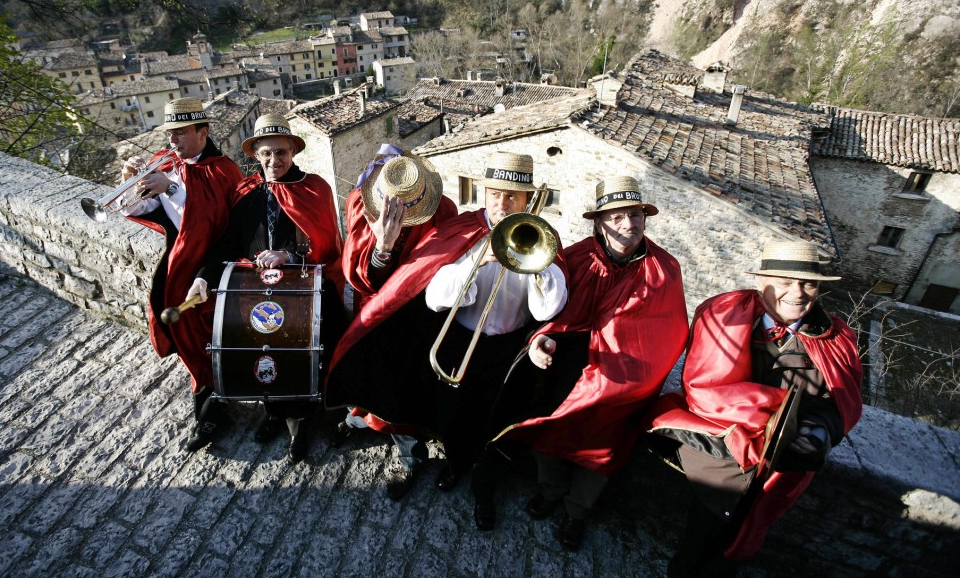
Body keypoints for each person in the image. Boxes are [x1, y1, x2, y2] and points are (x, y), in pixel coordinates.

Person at [326, 151, 568, 528]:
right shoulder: (462, 228)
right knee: (454, 412)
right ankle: (455, 466)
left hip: (508, 349)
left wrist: (539, 268)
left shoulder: (543, 241)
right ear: (485, 193)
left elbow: (548, 310)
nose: (503, 204)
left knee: (495, 421)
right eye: (496, 194)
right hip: (459, 340)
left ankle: (484, 491)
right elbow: (435, 298)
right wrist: (476, 262)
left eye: (513, 197)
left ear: (528, 200)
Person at [487, 177, 688, 550]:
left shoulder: (665, 269)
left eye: (635, 214)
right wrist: (540, 341)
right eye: (617, 216)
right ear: (599, 222)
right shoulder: (575, 256)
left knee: (602, 449)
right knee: (548, 432)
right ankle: (550, 492)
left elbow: (666, 334)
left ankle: (576, 512)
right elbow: (550, 312)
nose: (628, 224)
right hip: (568, 370)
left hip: (623, 384)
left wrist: (625, 376)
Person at [647, 241, 863, 576]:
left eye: (808, 284)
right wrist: (778, 409)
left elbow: (839, 401)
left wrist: (820, 430)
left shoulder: (835, 339)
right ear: (762, 281)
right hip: (721, 457)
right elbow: (706, 389)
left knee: (743, 539)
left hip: (782, 466)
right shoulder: (725, 318)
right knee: (701, 533)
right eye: (785, 282)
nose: (798, 293)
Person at [188, 113, 346, 462]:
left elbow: (326, 244)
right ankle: (274, 414)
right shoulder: (245, 191)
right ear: (255, 154)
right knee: (262, 351)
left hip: (308, 289)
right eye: (266, 154)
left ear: (293, 152)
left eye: (281, 153)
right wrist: (204, 276)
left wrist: (289, 254)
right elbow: (227, 243)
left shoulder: (314, 187)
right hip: (259, 292)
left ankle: (302, 423)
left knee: (308, 353)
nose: (274, 161)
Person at [118, 97, 243, 453]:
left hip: (217, 265)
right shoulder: (170, 165)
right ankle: (208, 406)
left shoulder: (223, 169)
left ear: (203, 133)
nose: (174, 141)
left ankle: (213, 408)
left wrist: (170, 188)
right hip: (179, 269)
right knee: (189, 341)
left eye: (182, 133)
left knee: (211, 339)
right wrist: (130, 183)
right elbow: (138, 207)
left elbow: (212, 220)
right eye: (171, 134)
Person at [336, 146, 458, 500]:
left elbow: (449, 263)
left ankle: (410, 454)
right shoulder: (362, 203)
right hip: (373, 306)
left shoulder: (442, 209)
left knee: (402, 385)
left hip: (419, 313)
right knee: (362, 368)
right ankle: (359, 419)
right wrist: (383, 245)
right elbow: (361, 275)